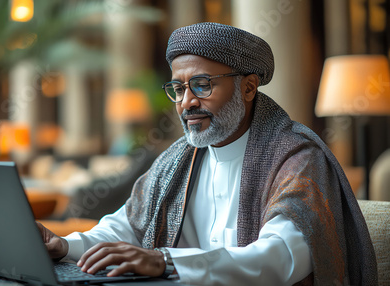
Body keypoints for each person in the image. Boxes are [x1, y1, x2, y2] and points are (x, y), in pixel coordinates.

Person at [37, 22, 377, 285]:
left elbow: (279, 259)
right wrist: (65, 246)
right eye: (179, 88)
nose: (187, 102)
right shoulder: (177, 159)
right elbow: (125, 227)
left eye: (203, 85)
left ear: (248, 87)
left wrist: (166, 262)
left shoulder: (295, 158)